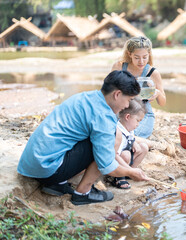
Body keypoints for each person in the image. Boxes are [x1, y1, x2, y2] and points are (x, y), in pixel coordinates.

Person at [17, 70, 149, 206]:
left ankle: (57, 184)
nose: (127, 106)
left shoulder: (87, 97)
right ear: (117, 94)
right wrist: (131, 172)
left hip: (31, 163)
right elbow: (107, 167)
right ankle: (83, 193)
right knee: (112, 137)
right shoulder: (103, 116)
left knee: (105, 135)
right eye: (128, 100)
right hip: (46, 169)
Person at [112, 36, 166, 139]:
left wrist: (158, 93)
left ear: (149, 54)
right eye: (137, 57)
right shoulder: (119, 67)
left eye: (145, 57)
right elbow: (107, 92)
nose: (141, 61)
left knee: (130, 135)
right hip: (120, 110)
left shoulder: (152, 73)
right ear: (129, 54)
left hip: (141, 114)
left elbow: (162, 103)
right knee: (110, 131)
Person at [111, 97, 149, 189]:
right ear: (127, 117)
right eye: (137, 121)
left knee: (144, 147)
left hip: (126, 160)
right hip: (118, 160)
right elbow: (115, 155)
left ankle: (130, 172)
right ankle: (120, 177)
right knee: (126, 155)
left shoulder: (129, 128)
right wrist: (129, 170)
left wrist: (134, 143)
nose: (138, 124)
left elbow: (131, 138)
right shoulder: (118, 131)